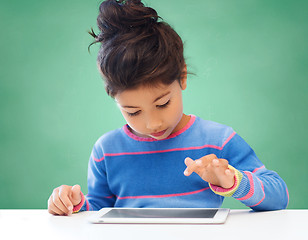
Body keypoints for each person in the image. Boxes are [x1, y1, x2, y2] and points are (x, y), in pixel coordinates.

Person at [47, 0, 289, 216]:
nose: (153, 124)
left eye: (162, 103)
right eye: (133, 112)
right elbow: (99, 209)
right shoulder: (106, 151)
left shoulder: (218, 140)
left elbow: (279, 196)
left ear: (182, 76)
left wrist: (232, 181)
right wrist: (74, 204)